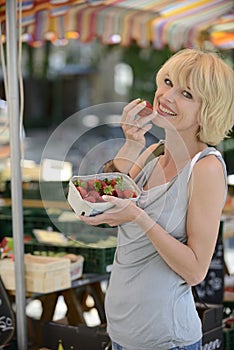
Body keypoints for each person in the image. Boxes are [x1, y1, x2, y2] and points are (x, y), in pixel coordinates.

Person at [79, 48, 234, 350]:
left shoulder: (206, 168)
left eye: (186, 94)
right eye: (167, 81)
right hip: (122, 334)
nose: (167, 96)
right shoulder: (152, 153)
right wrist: (131, 143)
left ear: (209, 109)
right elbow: (105, 205)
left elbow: (195, 271)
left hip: (166, 339)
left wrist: (139, 217)